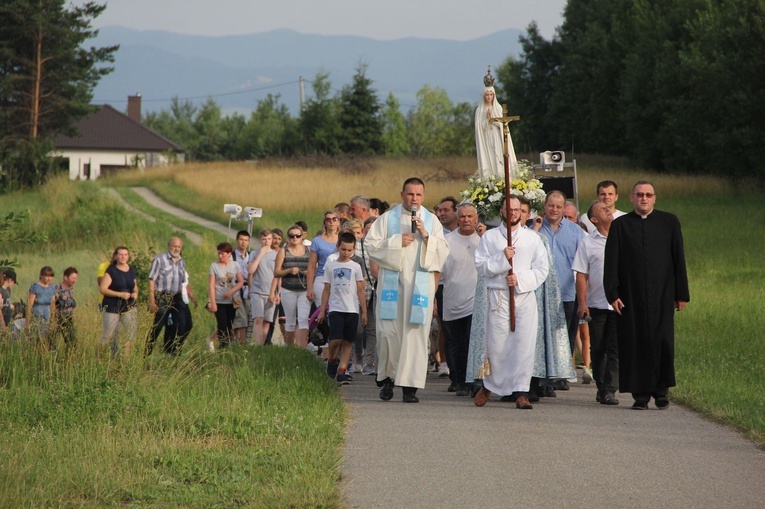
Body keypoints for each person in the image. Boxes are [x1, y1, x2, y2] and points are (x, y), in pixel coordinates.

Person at [604, 181, 689, 410]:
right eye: (639, 194)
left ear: (655, 198)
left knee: (663, 343)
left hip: (663, 294)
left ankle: (661, 392)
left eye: (648, 195)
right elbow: (611, 262)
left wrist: (682, 294)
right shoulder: (620, 225)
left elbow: (678, 259)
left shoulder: (669, 222)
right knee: (635, 343)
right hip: (631, 295)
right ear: (631, 198)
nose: (644, 198)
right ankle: (640, 395)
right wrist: (612, 293)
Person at [365, 177, 450, 403]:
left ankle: (410, 387)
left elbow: (443, 251)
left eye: (419, 195)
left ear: (424, 196)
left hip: (419, 287)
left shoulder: (431, 221)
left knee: (415, 335)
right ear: (402, 194)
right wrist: (394, 242)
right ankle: (387, 381)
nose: (414, 199)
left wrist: (427, 237)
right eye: (410, 194)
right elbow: (370, 245)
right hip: (393, 285)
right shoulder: (386, 219)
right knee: (388, 334)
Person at [473, 196, 549, 409]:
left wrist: (520, 280)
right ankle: (489, 385)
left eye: (518, 209)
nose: (514, 212)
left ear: (523, 212)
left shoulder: (532, 239)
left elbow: (542, 269)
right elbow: (480, 266)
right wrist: (501, 258)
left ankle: (521, 391)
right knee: (497, 344)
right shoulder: (489, 237)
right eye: (510, 209)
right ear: (502, 211)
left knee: (523, 344)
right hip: (499, 296)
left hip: (523, 297)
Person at [573, 202, 620, 405]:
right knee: (599, 347)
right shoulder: (587, 242)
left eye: (608, 207)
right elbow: (581, 275)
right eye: (602, 209)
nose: (608, 209)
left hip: (619, 303)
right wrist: (582, 303)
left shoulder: (622, 239)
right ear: (594, 219)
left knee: (615, 348)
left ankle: (610, 389)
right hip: (597, 303)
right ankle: (601, 387)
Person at [538, 190, 585, 388]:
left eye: (558, 206)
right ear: (545, 206)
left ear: (564, 208)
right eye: (551, 205)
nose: (554, 210)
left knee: (565, 334)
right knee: (544, 334)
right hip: (541, 292)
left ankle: (562, 373)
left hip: (567, 292)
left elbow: (584, 265)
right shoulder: (536, 229)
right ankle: (546, 374)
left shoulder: (576, 231)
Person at [318, 231, 368, 385]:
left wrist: (364, 311)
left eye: (349, 250)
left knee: (348, 341)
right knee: (335, 340)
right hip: (336, 308)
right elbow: (326, 289)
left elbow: (360, 290)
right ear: (338, 247)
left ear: (354, 250)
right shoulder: (331, 266)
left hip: (352, 309)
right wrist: (321, 311)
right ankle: (332, 359)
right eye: (343, 249)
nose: (346, 253)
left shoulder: (356, 267)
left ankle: (342, 371)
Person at [441, 203, 480, 396]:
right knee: (457, 343)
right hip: (453, 298)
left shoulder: (483, 240)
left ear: (476, 218)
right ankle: (459, 379)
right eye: (462, 216)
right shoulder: (447, 240)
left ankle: (473, 380)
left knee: (474, 341)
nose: (466, 220)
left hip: (476, 300)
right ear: (457, 218)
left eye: (469, 216)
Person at [147, 237, 196, 355]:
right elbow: (151, 280)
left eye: (179, 247)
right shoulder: (160, 259)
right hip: (162, 296)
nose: (176, 249)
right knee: (158, 326)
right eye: (174, 246)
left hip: (177, 296)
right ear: (169, 246)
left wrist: (191, 296)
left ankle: (173, 350)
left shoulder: (181, 261)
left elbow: (184, 281)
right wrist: (152, 300)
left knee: (186, 324)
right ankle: (146, 353)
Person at [475, 66, 517, 180]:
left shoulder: (498, 108)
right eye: (487, 95)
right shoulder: (480, 110)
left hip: (498, 138)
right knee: (490, 160)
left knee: (500, 160)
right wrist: (486, 121)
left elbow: (504, 125)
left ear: (494, 96)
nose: (489, 97)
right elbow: (478, 128)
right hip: (487, 138)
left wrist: (493, 119)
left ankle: (503, 179)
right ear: (484, 96)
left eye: (491, 95)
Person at [273, 225, 311, 348]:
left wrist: (308, 272)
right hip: (288, 289)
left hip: (304, 289)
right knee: (290, 321)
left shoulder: (309, 250)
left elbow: (314, 269)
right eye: (291, 236)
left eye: (297, 235)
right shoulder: (283, 251)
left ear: (302, 237)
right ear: (288, 238)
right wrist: (288, 271)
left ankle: (302, 348)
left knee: (303, 320)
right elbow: (276, 272)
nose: (295, 238)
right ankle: (289, 347)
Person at [434, 196, 460, 380]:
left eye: (446, 210)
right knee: (446, 328)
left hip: (464, 287)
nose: (441, 214)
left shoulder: (467, 232)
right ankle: (449, 368)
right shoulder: (437, 234)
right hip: (442, 286)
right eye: (440, 211)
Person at [99, 246, 139, 356]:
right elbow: (103, 289)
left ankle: (126, 359)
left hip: (129, 305)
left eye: (125, 254)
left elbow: (135, 286)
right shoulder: (111, 270)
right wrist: (120, 294)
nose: (123, 257)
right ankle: (98, 358)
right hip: (112, 306)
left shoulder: (131, 269)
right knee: (108, 334)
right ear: (116, 256)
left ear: (128, 256)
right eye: (120, 254)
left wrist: (135, 293)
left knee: (131, 334)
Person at [208, 241, 244, 349]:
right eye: (219, 253)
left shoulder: (235, 265)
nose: (220, 256)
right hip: (219, 300)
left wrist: (232, 291)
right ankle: (222, 347)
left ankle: (227, 345)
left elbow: (241, 282)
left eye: (223, 253)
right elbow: (211, 285)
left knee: (229, 325)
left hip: (231, 301)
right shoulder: (214, 266)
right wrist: (212, 302)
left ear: (229, 254)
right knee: (222, 324)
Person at [247, 228, 277, 345]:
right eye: (264, 239)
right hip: (257, 291)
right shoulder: (254, 253)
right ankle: (258, 344)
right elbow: (250, 270)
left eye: (269, 239)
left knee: (267, 321)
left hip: (271, 291)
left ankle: (262, 344)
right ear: (260, 239)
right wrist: (261, 254)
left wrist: (276, 293)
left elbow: (278, 275)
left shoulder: (276, 254)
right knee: (258, 318)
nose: (267, 241)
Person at [306, 211, 340, 308]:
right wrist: (309, 288)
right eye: (328, 220)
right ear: (325, 222)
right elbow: (312, 266)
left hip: (339, 278)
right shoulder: (317, 241)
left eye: (334, 219)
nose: (331, 222)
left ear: (338, 222)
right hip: (322, 277)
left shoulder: (342, 239)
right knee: (323, 310)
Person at [27, 266, 57, 346]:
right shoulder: (35, 287)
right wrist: (28, 322)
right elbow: (29, 305)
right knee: (36, 340)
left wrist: (53, 320)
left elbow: (53, 305)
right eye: (47, 276)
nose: (49, 278)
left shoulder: (52, 288)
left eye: (51, 276)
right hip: (37, 318)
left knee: (47, 340)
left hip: (47, 317)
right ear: (41, 275)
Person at [232, 230, 252, 344]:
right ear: (237, 240)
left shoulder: (250, 256)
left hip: (247, 290)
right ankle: (242, 344)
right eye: (241, 240)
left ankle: (235, 342)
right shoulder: (233, 256)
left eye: (246, 240)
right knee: (241, 319)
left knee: (247, 318)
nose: (243, 243)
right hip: (235, 290)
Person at [54, 267, 78, 349]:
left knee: (71, 342)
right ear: (65, 277)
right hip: (57, 317)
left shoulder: (71, 289)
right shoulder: (57, 288)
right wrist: (54, 319)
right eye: (72, 278)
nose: (74, 280)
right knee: (52, 341)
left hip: (68, 318)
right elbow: (53, 304)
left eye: (76, 278)